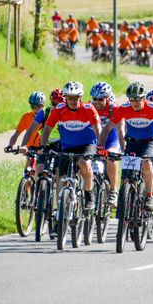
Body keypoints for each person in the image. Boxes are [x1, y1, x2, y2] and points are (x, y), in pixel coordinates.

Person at [99, 82, 153, 212]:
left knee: (146, 162)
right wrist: (100, 145)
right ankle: (126, 202)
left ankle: (150, 196)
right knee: (126, 175)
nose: (135, 102)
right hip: (132, 142)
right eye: (132, 99)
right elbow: (108, 127)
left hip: (151, 142)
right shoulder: (124, 108)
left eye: (138, 99)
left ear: (144, 98)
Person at [40, 82, 101, 210]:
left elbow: (98, 129)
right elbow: (48, 127)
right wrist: (42, 146)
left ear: (81, 98)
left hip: (86, 145)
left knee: (84, 163)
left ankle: (88, 194)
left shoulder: (88, 109)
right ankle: (61, 212)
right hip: (67, 146)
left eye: (76, 98)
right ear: (66, 98)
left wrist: (100, 146)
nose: (73, 101)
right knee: (61, 178)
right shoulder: (60, 109)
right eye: (70, 98)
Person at [89, 82, 121, 206]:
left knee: (111, 158)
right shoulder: (89, 107)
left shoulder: (114, 109)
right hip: (95, 140)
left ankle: (113, 190)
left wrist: (122, 146)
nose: (97, 102)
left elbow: (120, 129)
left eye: (101, 99)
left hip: (112, 139)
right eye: (95, 99)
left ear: (107, 98)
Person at [5, 91, 45, 160]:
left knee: (40, 168)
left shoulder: (46, 116)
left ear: (43, 106)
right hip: (29, 147)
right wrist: (10, 145)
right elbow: (16, 134)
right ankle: (26, 171)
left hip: (42, 148)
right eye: (33, 106)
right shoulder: (26, 117)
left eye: (38, 106)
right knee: (29, 166)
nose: (35, 109)